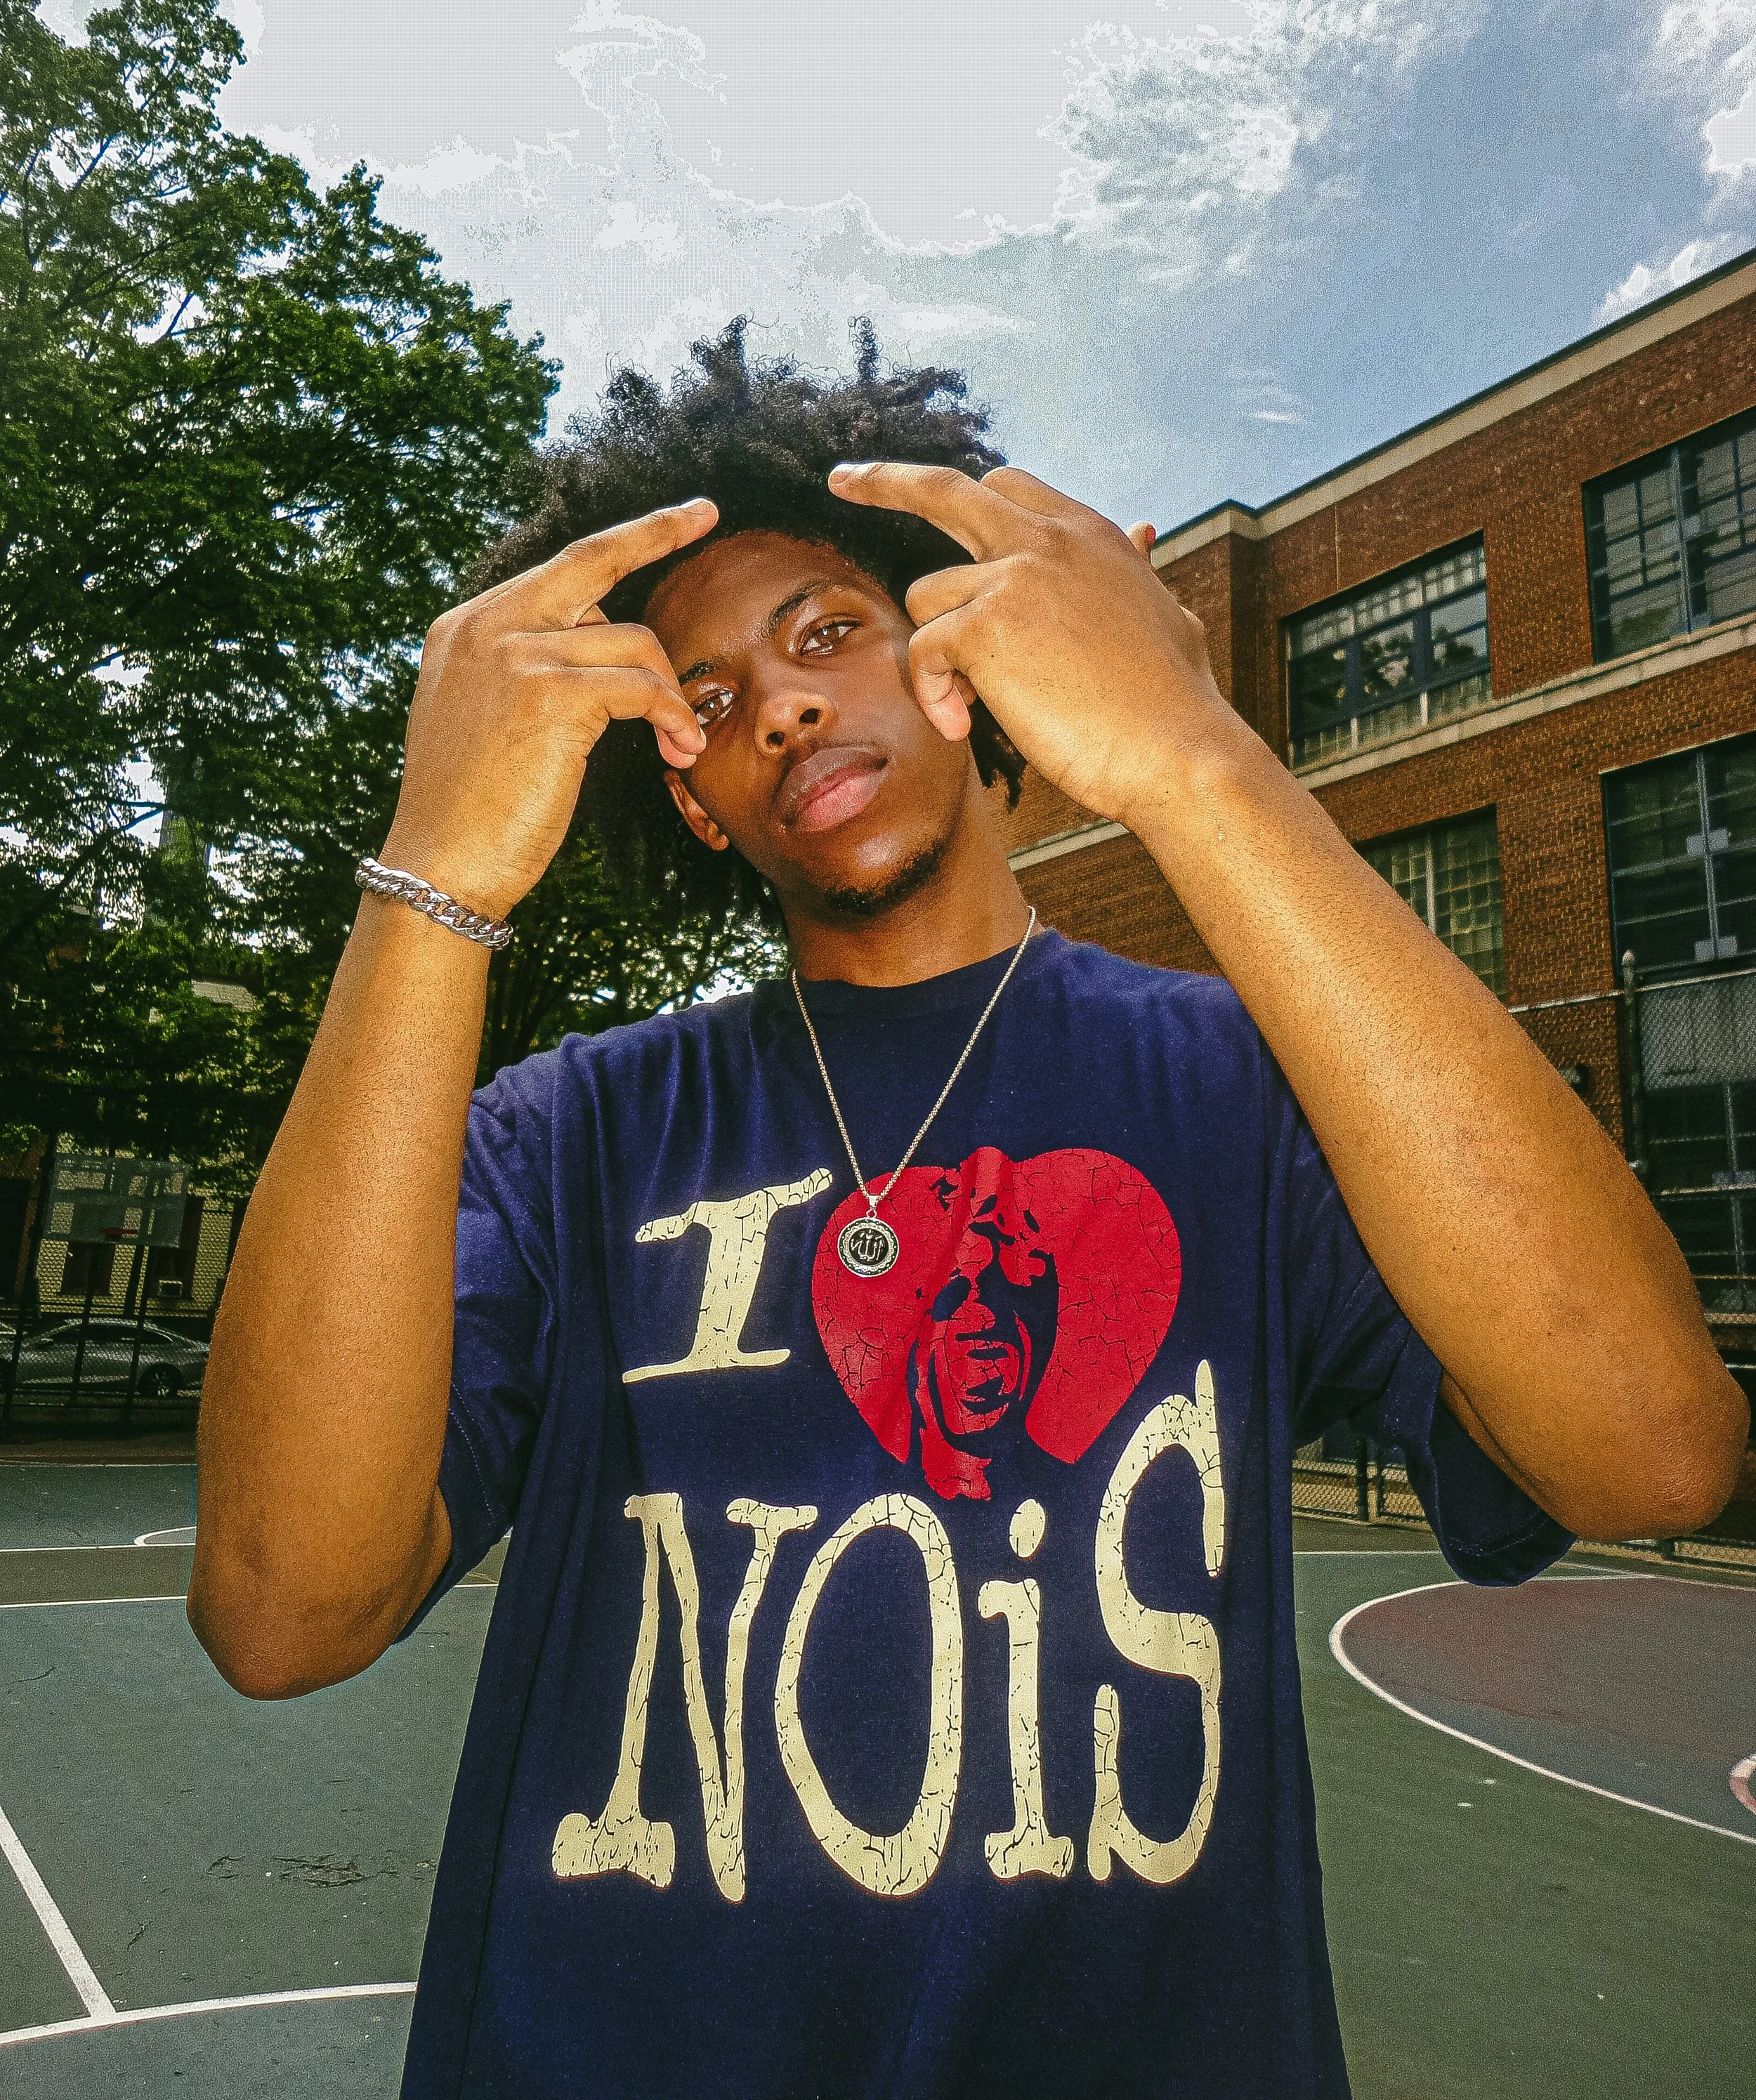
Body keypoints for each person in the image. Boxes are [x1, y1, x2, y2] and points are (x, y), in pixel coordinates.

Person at [188, 321, 1748, 2100]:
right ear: (687, 801)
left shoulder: (1251, 1086)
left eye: (824, 632)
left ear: (958, 668)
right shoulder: (572, 1131)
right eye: (701, 699)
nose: (769, 703)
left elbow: (1650, 1455)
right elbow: (280, 1610)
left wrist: (1194, 756)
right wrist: (430, 877)